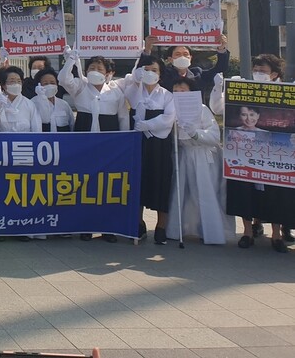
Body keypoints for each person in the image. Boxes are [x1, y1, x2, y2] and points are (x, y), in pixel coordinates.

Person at [213, 53, 294, 252]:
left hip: (274, 157)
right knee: (243, 192)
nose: (258, 74)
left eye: (263, 71)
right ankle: (248, 232)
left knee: (276, 192)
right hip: (243, 156)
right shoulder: (244, 89)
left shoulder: (284, 92)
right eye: (256, 70)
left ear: (274, 74)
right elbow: (217, 107)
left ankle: (276, 235)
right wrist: (219, 88)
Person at [116, 56, 177, 245]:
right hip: (137, 142)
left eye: (154, 70)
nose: (150, 73)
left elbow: (169, 119)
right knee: (138, 181)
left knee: (161, 181)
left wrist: (148, 125)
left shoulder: (167, 95)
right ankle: (138, 223)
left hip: (159, 143)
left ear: (160, 74)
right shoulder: (134, 91)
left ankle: (161, 226)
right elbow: (133, 80)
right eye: (146, 70)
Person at [165, 77, 231, 245]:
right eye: (176, 91)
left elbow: (215, 135)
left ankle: (210, 231)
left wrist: (196, 133)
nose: (179, 94)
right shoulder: (170, 109)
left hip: (202, 156)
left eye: (183, 91)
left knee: (204, 192)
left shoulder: (202, 109)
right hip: (183, 154)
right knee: (182, 193)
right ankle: (178, 229)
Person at [139, 35, 229, 102]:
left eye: (185, 54)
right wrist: (147, 50)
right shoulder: (163, 74)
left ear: (190, 58)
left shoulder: (198, 74)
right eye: (178, 54)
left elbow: (220, 69)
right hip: (169, 117)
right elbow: (144, 70)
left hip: (194, 118)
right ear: (170, 59)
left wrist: (222, 48)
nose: (182, 57)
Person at [58, 50, 127, 133]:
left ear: (106, 74)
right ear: (87, 71)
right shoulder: (80, 86)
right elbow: (63, 80)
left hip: (109, 131)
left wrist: (124, 137)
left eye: (100, 69)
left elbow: (123, 117)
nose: (95, 71)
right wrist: (71, 60)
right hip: (84, 128)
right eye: (92, 68)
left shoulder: (115, 90)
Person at [0, 66, 41, 134]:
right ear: (3, 84)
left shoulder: (29, 104)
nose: (16, 84)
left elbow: (37, 129)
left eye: (19, 81)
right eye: (12, 81)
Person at [31, 68, 73, 133]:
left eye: (52, 83)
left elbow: (71, 125)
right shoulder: (32, 104)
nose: (50, 86)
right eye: (45, 83)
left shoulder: (64, 105)